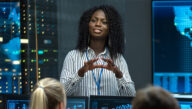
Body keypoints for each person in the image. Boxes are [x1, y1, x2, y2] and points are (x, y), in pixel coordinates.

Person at [60, 5, 135, 96]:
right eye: (94, 20)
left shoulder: (118, 58)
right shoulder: (72, 56)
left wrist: (119, 75)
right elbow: (61, 94)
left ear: (111, 28)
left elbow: (131, 96)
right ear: (87, 24)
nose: (98, 24)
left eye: (104, 22)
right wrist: (80, 74)